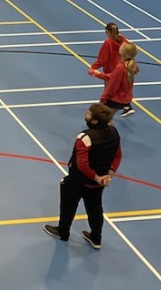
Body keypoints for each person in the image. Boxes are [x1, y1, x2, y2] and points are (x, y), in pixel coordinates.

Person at [44, 103, 121, 250]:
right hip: (98, 184)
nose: (86, 114)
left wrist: (95, 177)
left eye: (88, 113)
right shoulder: (114, 133)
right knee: (95, 208)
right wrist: (109, 174)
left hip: (79, 181)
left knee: (68, 206)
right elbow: (117, 156)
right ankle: (96, 238)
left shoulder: (85, 137)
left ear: (94, 121)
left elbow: (82, 165)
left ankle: (63, 232)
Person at [88, 23, 133, 116]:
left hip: (111, 70)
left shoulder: (108, 43)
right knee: (123, 88)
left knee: (109, 91)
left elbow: (102, 59)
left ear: (107, 32)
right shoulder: (124, 40)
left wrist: (93, 68)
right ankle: (127, 106)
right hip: (125, 68)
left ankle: (104, 111)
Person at [96, 41, 139, 120]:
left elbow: (112, 86)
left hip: (115, 99)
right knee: (107, 120)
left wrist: (102, 99)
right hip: (125, 99)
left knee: (104, 120)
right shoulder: (132, 66)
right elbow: (114, 77)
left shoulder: (120, 67)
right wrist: (99, 75)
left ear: (122, 52)